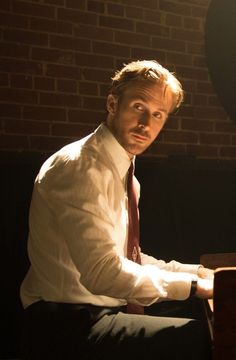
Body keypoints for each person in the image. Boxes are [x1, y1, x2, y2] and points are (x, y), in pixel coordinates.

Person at [20, 60, 213, 360]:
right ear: (112, 103)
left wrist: (202, 274)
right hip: (64, 322)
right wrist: (194, 286)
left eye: (158, 114)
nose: (146, 124)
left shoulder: (124, 174)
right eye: (138, 106)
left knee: (206, 318)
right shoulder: (81, 168)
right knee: (207, 339)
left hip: (98, 307)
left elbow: (126, 257)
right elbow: (102, 271)